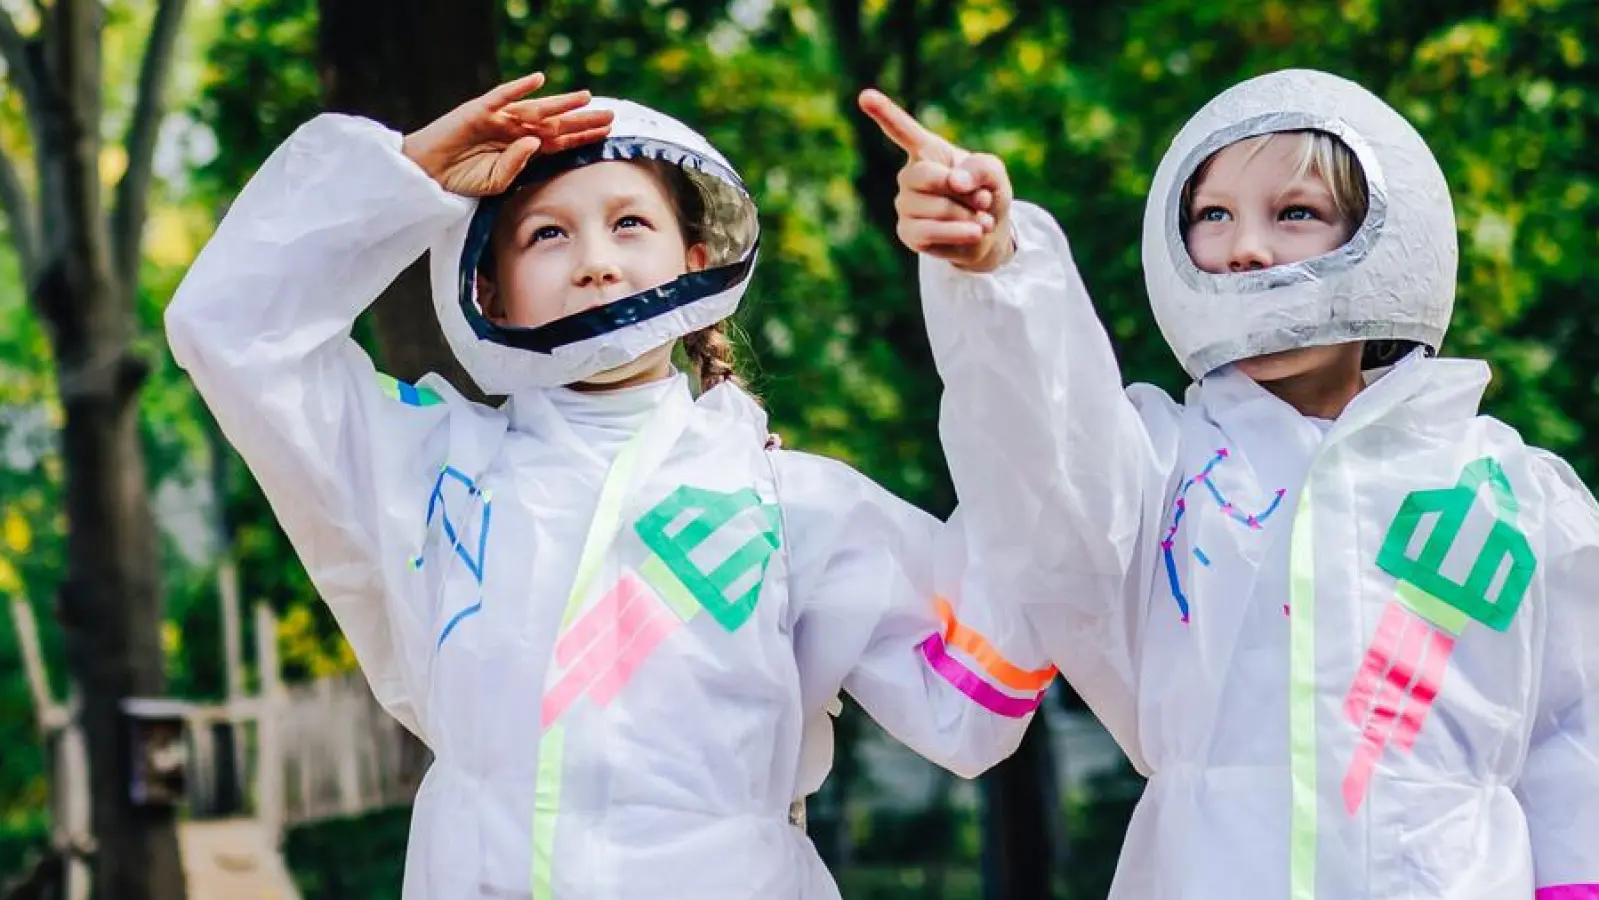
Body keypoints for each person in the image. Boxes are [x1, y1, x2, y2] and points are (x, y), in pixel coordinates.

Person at [166, 72, 1056, 900]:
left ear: (696, 258)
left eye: (630, 224)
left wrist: (997, 289)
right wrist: (401, 177)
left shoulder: (796, 507)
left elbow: (976, 697)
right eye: (547, 233)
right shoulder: (433, 472)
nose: (595, 261)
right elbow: (235, 332)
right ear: (490, 291)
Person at [862, 68, 1599, 899]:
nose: (1245, 248)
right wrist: (996, 274)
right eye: (1213, 215)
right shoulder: (1157, 472)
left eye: (1295, 214)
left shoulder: (1514, 498)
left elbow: (1574, 750)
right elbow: (1043, 451)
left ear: (1394, 234)